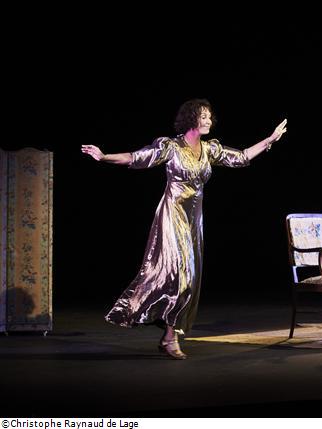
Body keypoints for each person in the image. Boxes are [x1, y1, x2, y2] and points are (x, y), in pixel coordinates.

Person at [81, 99, 287, 359]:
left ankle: (169, 334)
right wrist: (104, 156)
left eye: (210, 116)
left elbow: (242, 156)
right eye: (204, 116)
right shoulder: (171, 147)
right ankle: (169, 336)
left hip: (194, 221)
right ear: (191, 119)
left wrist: (270, 139)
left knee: (190, 278)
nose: (209, 120)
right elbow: (135, 157)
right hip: (172, 215)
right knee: (182, 278)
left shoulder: (209, 149)